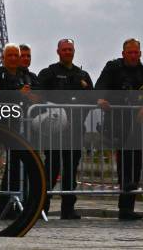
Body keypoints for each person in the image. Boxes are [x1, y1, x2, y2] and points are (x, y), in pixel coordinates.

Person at [37, 38, 93, 219]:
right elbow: (40, 97)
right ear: (58, 51)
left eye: (70, 49)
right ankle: (41, 207)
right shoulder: (49, 73)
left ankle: (68, 209)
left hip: (75, 130)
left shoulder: (83, 75)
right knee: (50, 170)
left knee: (71, 171)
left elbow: (91, 100)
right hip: (54, 131)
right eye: (65, 50)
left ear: (74, 51)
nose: (68, 52)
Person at [95, 38, 143, 221]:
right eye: (130, 53)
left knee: (136, 165)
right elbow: (100, 86)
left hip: (136, 122)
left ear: (140, 53)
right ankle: (124, 207)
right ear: (123, 53)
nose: (133, 56)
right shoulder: (113, 67)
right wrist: (101, 99)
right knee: (125, 162)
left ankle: (128, 207)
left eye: (136, 53)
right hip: (116, 121)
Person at [0, 43, 38, 220]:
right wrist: (18, 94)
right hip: (2, 125)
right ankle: (6, 206)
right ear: (3, 57)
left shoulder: (26, 77)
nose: (14, 59)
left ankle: (17, 204)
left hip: (23, 125)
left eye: (17, 55)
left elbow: (38, 96)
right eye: (10, 56)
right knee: (15, 164)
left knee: (20, 165)